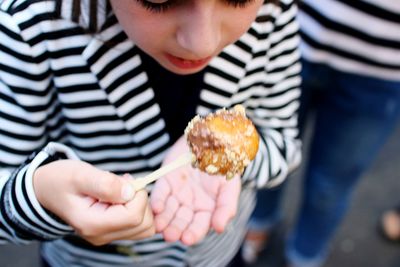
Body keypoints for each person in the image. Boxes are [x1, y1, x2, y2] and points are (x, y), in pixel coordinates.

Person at [0, 0, 302, 266]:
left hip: (216, 255)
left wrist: (231, 155)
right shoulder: (30, 25)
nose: (202, 43)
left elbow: (283, 141)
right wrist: (40, 195)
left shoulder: (272, 12)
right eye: (158, 1)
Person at [242, 0, 400, 266]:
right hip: (293, 35)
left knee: (330, 186)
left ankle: (305, 255)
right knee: (264, 149)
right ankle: (257, 225)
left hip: (380, 67)